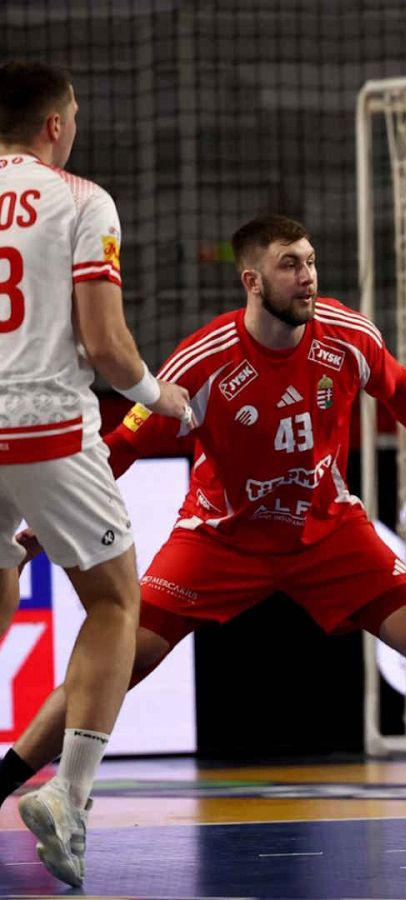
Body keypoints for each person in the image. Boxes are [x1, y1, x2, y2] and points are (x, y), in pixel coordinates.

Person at [0, 215, 406, 833]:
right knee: (119, 659)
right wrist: (51, 521)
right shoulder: (203, 362)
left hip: (327, 528)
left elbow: (397, 388)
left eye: (311, 262)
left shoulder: (345, 335)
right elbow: (122, 446)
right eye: (290, 265)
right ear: (253, 281)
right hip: (220, 536)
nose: (308, 277)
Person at [0, 61, 192, 888]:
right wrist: (165, 401)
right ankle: (68, 797)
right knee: (116, 602)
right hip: (43, 423)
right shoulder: (80, 198)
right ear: (54, 124)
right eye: (72, 116)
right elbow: (109, 349)